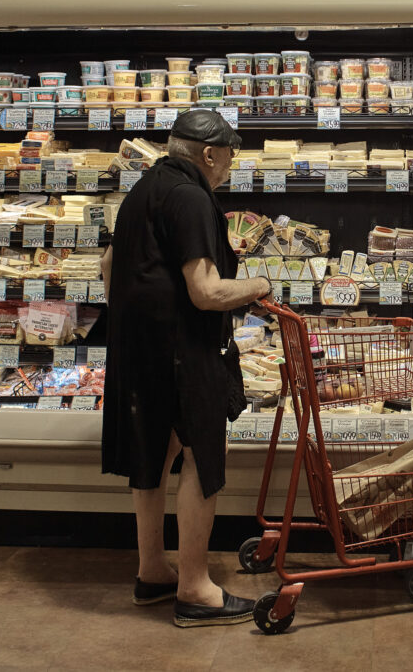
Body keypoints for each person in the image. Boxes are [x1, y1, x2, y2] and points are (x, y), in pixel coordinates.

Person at [100, 109, 271, 627]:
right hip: (183, 352)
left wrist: (139, 320)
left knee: (155, 453)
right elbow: (206, 291)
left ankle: (152, 570)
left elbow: (109, 268)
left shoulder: (142, 190)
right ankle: (195, 589)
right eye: (229, 157)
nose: (230, 166)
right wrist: (258, 286)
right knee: (201, 456)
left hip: (139, 350)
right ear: (209, 154)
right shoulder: (193, 197)